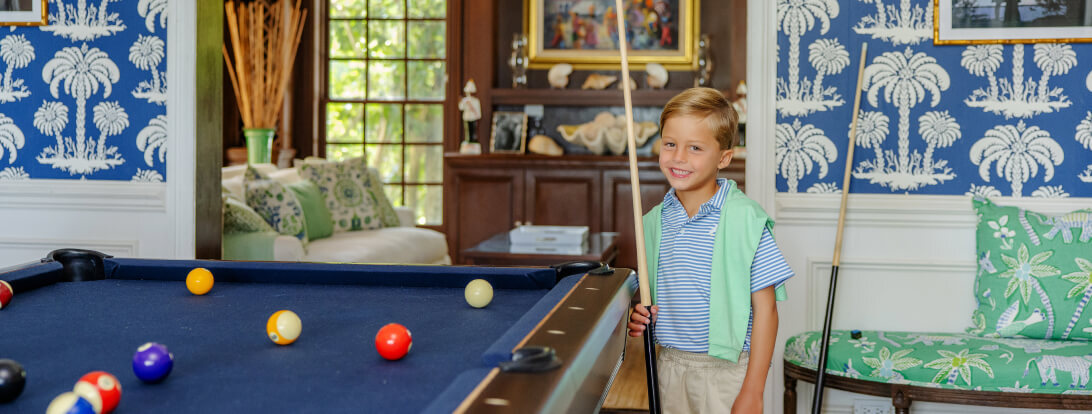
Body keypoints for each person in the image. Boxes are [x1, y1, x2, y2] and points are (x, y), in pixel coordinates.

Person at [628, 87, 793, 414]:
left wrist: (754, 391)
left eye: (695, 148)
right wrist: (641, 316)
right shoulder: (652, 222)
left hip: (727, 372)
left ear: (724, 157)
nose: (678, 157)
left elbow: (766, 311)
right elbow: (654, 300)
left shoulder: (746, 219)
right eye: (670, 144)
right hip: (670, 367)